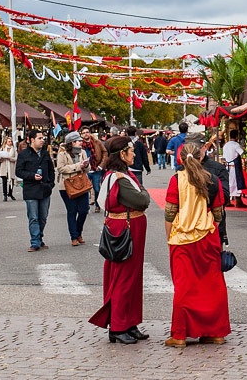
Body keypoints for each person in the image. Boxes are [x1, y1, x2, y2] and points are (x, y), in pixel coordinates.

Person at [164, 141, 230, 348]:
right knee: (213, 284)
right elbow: (219, 213)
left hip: (182, 239)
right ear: (201, 157)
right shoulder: (212, 180)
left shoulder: (176, 180)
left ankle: (180, 335)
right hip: (208, 236)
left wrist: (169, 239)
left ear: (181, 159)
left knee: (184, 286)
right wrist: (208, 225)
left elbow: (169, 213)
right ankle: (215, 332)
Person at [89, 136, 151, 345]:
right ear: (122, 154)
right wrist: (142, 190)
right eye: (131, 151)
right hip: (126, 228)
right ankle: (118, 326)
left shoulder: (122, 175)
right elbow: (142, 200)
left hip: (129, 227)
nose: (135, 154)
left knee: (132, 278)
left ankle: (129, 322)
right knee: (124, 278)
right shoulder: (119, 178)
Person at [16, 129, 55, 252]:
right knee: (33, 217)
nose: (42, 140)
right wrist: (32, 176)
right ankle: (35, 242)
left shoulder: (45, 153)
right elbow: (19, 171)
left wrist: (50, 184)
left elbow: (51, 170)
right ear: (32, 140)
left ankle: (39, 237)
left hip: (44, 190)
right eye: (40, 138)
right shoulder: (24, 154)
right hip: (31, 190)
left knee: (43, 217)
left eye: (43, 138)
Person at [191, 134, 230, 246]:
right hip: (188, 224)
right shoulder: (182, 170)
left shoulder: (217, 168)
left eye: (197, 149)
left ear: (205, 147)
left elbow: (225, 196)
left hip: (213, 223)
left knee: (214, 261)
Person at [56, 131, 92, 246]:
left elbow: (87, 169)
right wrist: (78, 166)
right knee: (72, 211)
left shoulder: (82, 152)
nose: (81, 143)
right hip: (67, 185)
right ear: (72, 142)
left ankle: (78, 232)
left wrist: (86, 166)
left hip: (81, 184)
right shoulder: (62, 153)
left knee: (84, 210)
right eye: (79, 141)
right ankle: (74, 237)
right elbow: (61, 168)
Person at [81, 126, 108, 213]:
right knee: (85, 189)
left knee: (96, 189)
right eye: (84, 133)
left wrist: (101, 165)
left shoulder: (97, 142)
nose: (86, 134)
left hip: (96, 169)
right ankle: (85, 206)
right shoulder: (80, 144)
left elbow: (105, 152)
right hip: (85, 170)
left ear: (89, 133)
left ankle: (97, 205)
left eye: (87, 132)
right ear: (81, 135)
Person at [222, 129, 247, 209]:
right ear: (237, 137)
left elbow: (223, 157)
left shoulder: (226, 145)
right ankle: (238, 201)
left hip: (227, 166)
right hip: (234, 167)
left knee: (229, 183)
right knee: (236, 183)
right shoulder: (236, 145)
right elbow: (242, 153)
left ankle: (227, 201)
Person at [0, 136, 17, 201]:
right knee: (4, 182)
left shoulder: (13, 149)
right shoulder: (3, 149)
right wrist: (1, 158)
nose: (10, 143)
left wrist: (10, 158)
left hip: (11, 167)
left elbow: (16, 158)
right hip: (4, 167)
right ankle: (5, 195)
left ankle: (10, 193)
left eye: (11, 141)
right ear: (6, 142)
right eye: (9, 141)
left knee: (11, 181)